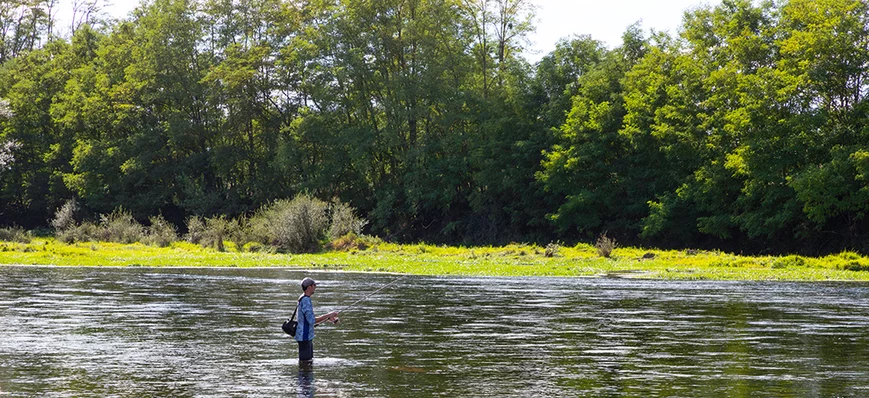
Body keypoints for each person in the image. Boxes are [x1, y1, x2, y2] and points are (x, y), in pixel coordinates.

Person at [294, 277, 338, 364]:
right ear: (309, 287)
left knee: (306, 363)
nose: (315, 287)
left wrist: (327, 318)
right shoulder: (306, 300)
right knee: (306, 363)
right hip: (304, 337)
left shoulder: (302, 298)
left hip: (304, 336)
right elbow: (311, 320)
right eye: (314, 285)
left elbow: (309, 320)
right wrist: (329, 315)